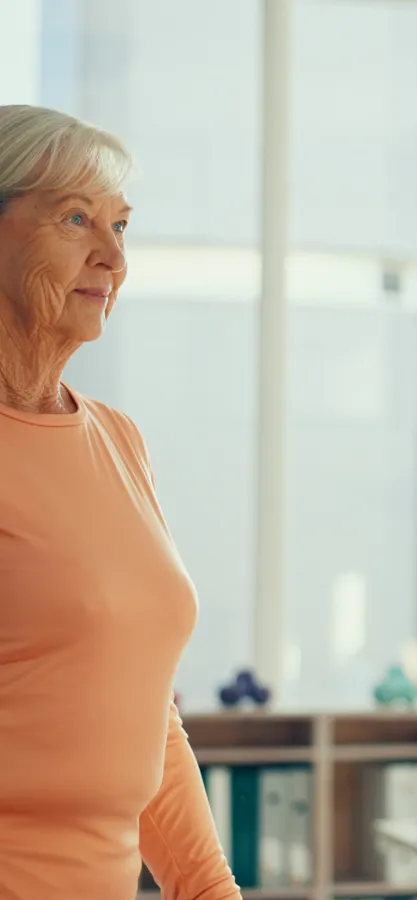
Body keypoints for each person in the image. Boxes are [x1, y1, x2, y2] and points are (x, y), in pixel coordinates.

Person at [0, 105, 239, 899]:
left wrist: (209, 890)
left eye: (122, 227)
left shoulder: (119, 440)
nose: (112, 257)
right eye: (76, 219)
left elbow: (147, 716)